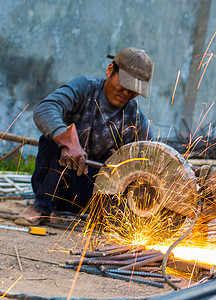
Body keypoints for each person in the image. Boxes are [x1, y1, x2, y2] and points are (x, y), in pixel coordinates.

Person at [14, 47, 153, 226]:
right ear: (110, 70)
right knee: (50, 141)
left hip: (92, 196)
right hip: (55, 184)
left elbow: (152, 155)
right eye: (124, 84)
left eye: (134, 90)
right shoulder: (85, 88)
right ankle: (40, 208)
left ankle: (103, 218)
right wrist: (65, 139)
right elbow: (45, 109)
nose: (127, 93)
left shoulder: (134, 117)